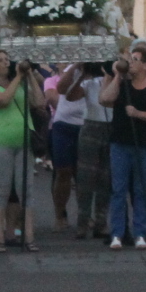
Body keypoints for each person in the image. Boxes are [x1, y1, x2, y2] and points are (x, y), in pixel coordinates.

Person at [101, 46, 146, 251]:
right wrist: (117, 76)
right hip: (120, 141)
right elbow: (105, 99)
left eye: (135, 59)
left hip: (144, 143)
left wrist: (138, 114)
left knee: (140, 189)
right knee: (118, 189)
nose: (131, 62)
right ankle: (117, 233)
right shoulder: (123, 84)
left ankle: (140, 232)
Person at [0, 51, 43, 251]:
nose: (6, 63)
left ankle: (29, 236)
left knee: (26, 189)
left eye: (7, 60)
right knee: (2, 189)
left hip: (24, 141)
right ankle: (0, 237)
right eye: (0, 61)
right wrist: (18, 77)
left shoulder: (20, 84)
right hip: (1, 142)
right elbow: (3, 100)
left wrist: (30, 76)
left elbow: (39, 102)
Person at [70, 61, 112, 239]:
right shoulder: (89, 83)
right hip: (91, 126)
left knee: (106, 177)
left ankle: (101, 222)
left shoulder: (117, 81)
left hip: (111, 127)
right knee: (86, 177)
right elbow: (71, 96)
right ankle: (83, 222)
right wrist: (81, 75)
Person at [45, 62, 84, 231]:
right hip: (63, 125)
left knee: (83, 174)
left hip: (86, 125)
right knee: (63, 171)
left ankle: (85, 215)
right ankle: (60, 215)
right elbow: (60, 91)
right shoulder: (68, 71)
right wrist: (76, 68)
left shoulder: (97, 72)